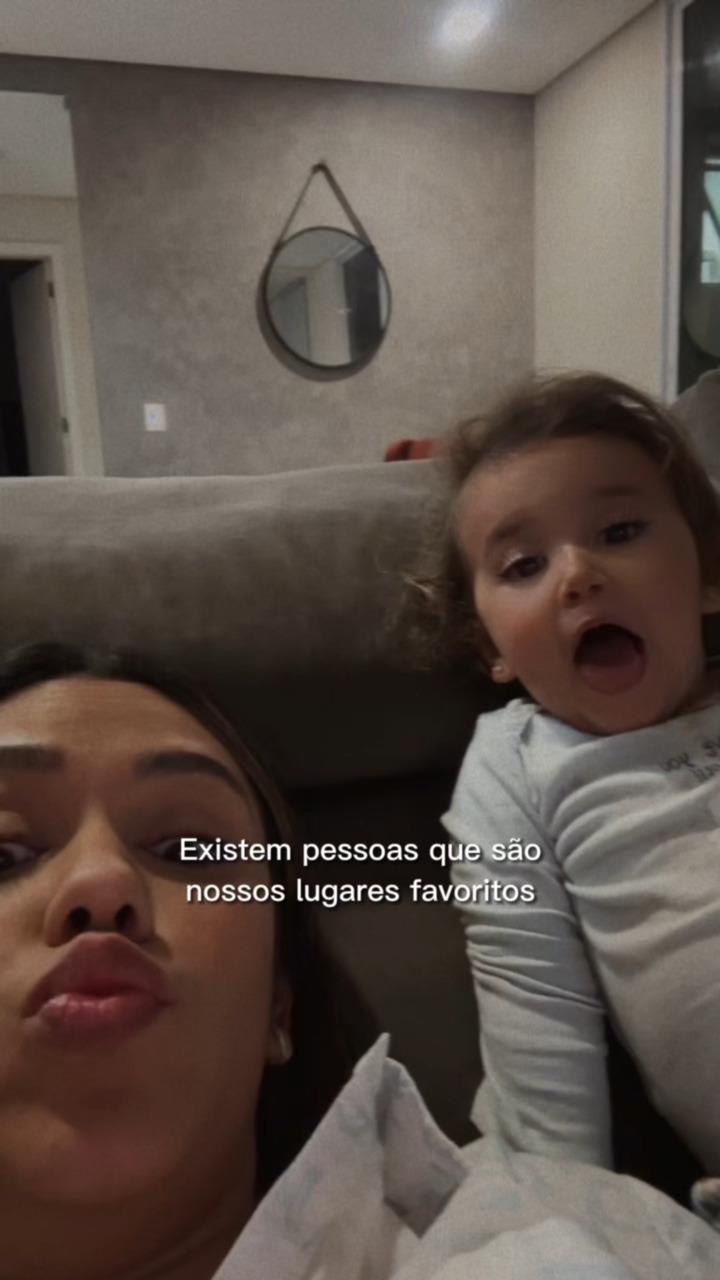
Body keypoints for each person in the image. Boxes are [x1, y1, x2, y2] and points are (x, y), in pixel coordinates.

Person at [1, 639, 720, 1279]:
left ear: (278, 1009)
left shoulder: (583, 1240)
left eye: (188, 849)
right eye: (4, 853)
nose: (101, 883)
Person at [410, 372, 720, 1184]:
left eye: (620, 530)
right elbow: (532, 1004)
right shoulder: (517, 764)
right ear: (492, 649)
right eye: (523, 565)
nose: (578, 573)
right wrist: (561, 1214)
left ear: (709, 571)